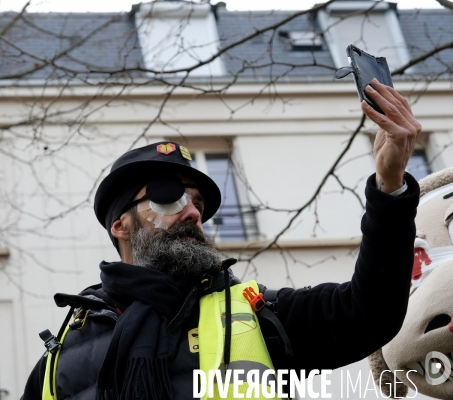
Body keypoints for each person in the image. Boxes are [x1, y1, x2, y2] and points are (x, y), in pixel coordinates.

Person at [21, 80, 422, 400]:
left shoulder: (258, 313)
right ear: (120, 225)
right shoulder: (61, 354)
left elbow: (368, 313)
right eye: (169, 197)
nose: (194, 213)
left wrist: (390, 189)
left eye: (197, 203)